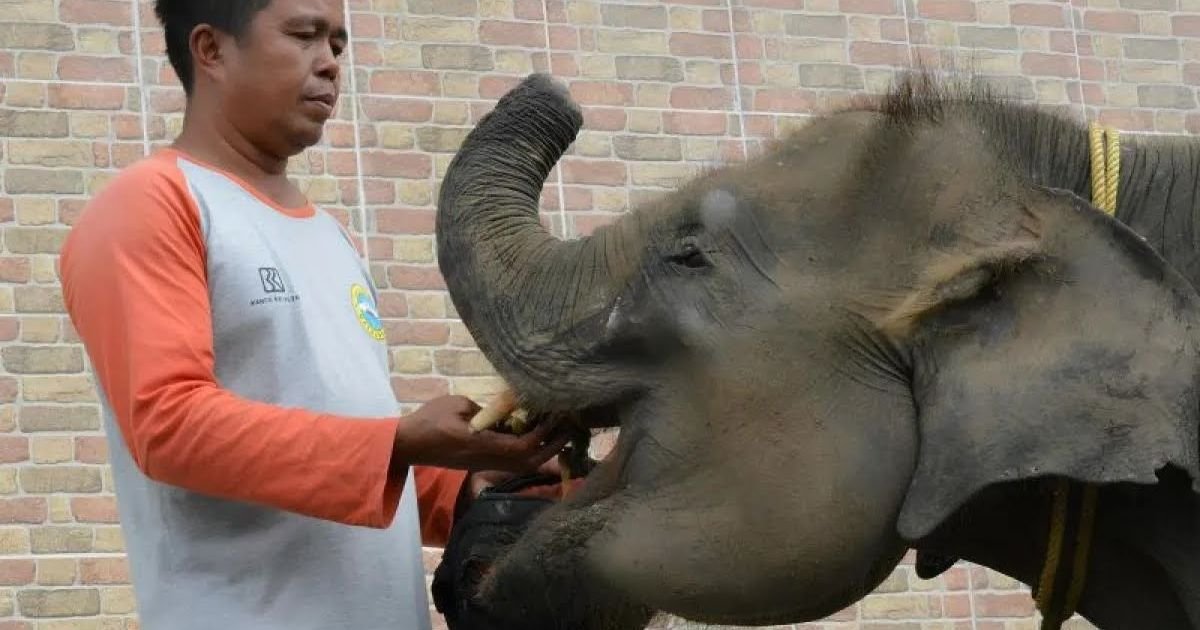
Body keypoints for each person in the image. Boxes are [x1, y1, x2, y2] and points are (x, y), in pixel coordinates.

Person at [58, 1, 571, 628]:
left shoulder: (328, 235)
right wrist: (398, 440)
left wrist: (468, 478)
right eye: (304, 36)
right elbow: (168, 424)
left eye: (338, 44)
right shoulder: (151, 205)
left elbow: (347, 446)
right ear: (211, 49)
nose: (330, 64)